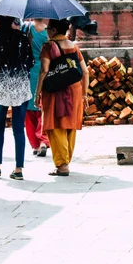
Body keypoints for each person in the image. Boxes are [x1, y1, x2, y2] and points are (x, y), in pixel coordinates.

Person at [35, 19, 89, 176]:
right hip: (75, 90)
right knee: (70, 125)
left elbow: (44, 71)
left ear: (53, 30)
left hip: (54, 90)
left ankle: (62, 164)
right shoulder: (74, 46)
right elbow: (85, 72)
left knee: (56, 125)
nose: (46, 31)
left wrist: (37, 92)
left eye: (48, 28)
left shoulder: (48, 47)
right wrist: (85, 94)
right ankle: (65, 161)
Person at [0, 16, 34, 180]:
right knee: (19, 129)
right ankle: (18, 169)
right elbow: (31, 62)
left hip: (1, 88)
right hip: (20, 87)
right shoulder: (22, 38)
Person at [21, 19, 51, 157]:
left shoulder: (26, 28)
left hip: (28, 70)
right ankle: (44, 140)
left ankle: (35, 145)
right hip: (45, 69)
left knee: (28, 109)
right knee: (43, 107)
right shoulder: (48, 31)